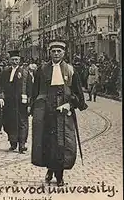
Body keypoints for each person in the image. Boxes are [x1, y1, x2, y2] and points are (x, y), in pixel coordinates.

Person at [31, 39, 88, 186]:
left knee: (62, 144)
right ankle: (50, 169)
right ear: (49, 53)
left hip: (63, 113)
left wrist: (69, 104)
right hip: (46, 113)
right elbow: (35, 91)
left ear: (64, 53)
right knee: (47, 143)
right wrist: (34, 108)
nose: (56, 54)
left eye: (59, 51)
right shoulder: (42, 70)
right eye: (53, 51)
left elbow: (78, 94)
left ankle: (60, 174)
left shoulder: (70, 70)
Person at [0, 50, 32, 154]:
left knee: (22, 122)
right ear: (9, 60)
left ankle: (22, 144)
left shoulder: (25, 73)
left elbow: (30, 88)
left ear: (20, 60)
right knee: (10, 122)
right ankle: (13, 142)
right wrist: (1, 97)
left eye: (16, 59)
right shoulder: (5, 72)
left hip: (21, 102)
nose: (14, 62)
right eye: (12, 59)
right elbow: (0, 86)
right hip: (9, 102)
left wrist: (29, 103)